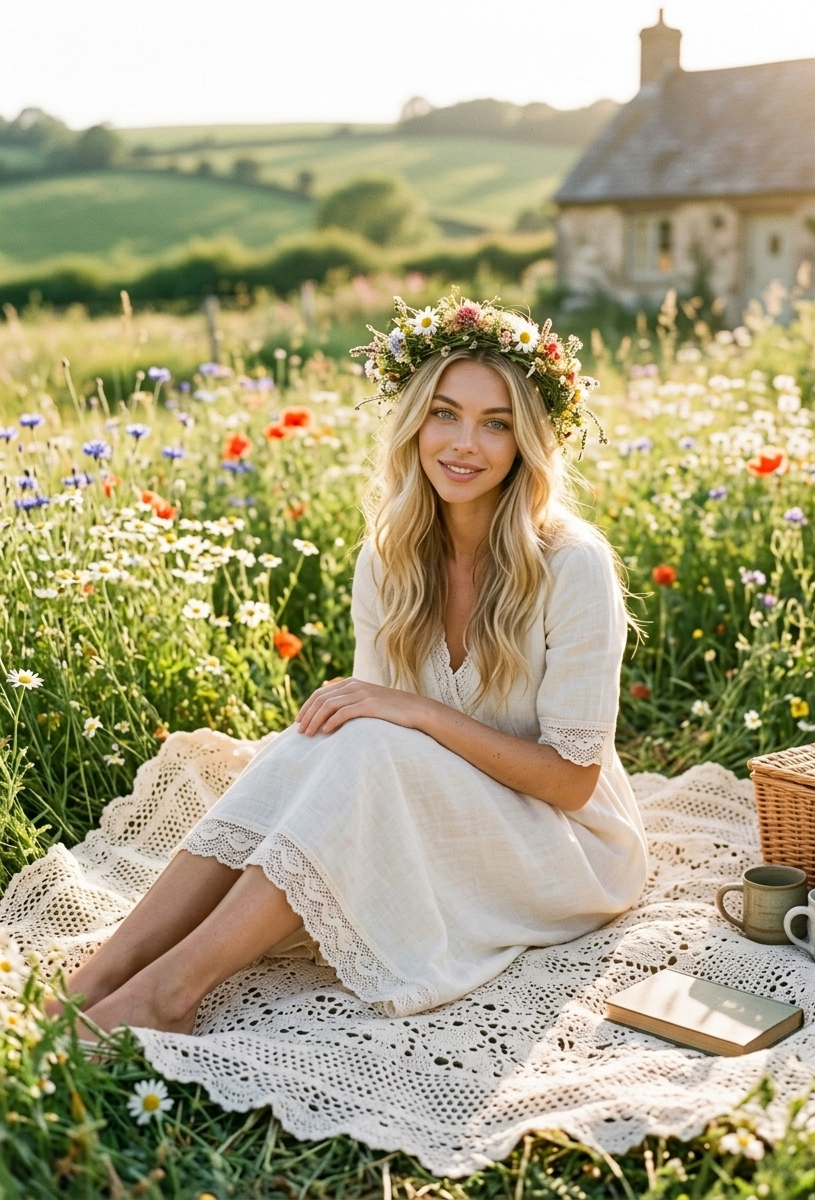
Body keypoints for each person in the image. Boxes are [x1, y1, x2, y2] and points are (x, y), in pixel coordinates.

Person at [60, 295, 649, 1035]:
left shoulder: (572, 563)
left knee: (366, 734)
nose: (465, 443)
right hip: (434, 811)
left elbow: (571, 780)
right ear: (413, 422)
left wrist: (417, 711)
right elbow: (366, 732)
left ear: (528, 441)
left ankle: (167, 994)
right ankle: (94, 981)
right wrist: (378, 718)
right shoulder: (391, 557)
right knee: (311, 741)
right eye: (445, 413)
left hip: (565, 849)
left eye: (496, 423)